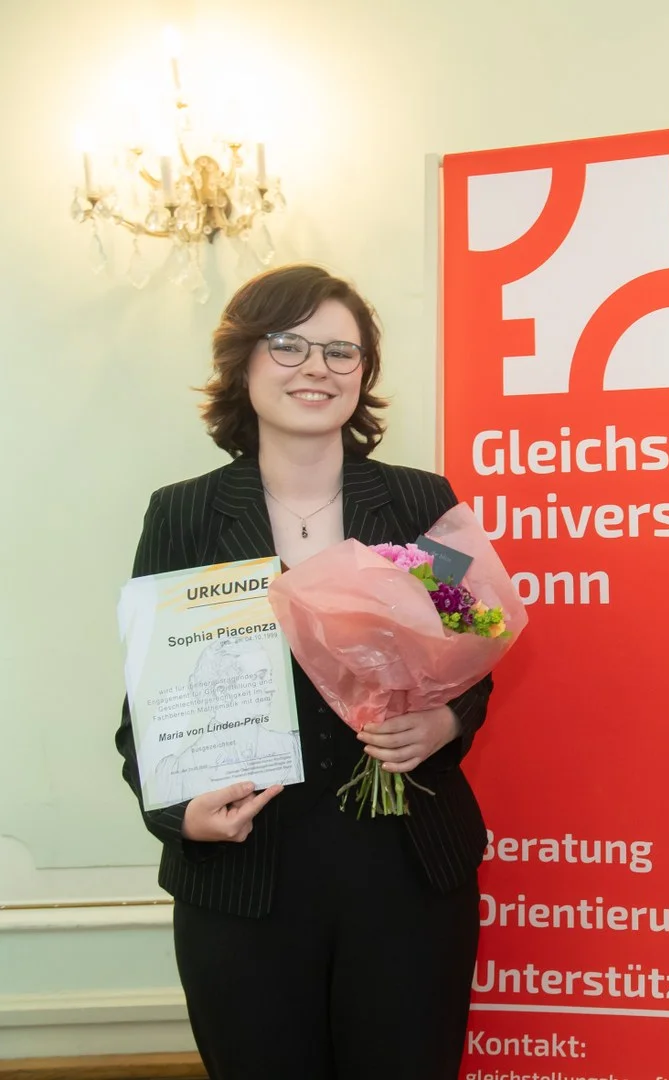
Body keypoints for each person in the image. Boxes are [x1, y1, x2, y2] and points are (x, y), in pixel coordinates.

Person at [113, 264, 493, 1080]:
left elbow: (474, 649)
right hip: (245, 877)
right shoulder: (182, 514)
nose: (316, 367)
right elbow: (147, 710)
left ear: (364, 371)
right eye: (288, 345)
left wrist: (446, 719)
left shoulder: (423, 502)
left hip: (408, 872)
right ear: (244, 362)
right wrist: (181, 815)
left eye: (340, 351)